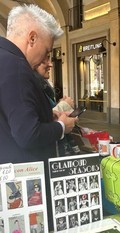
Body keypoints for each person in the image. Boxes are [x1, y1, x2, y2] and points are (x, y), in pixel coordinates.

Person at [0, 4, 77, 166]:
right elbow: (28, 134)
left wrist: (46, 116)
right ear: (32, 38)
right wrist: (62, 126)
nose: (47, 59)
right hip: (24, 175)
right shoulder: (16, 66)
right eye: (47, 51)